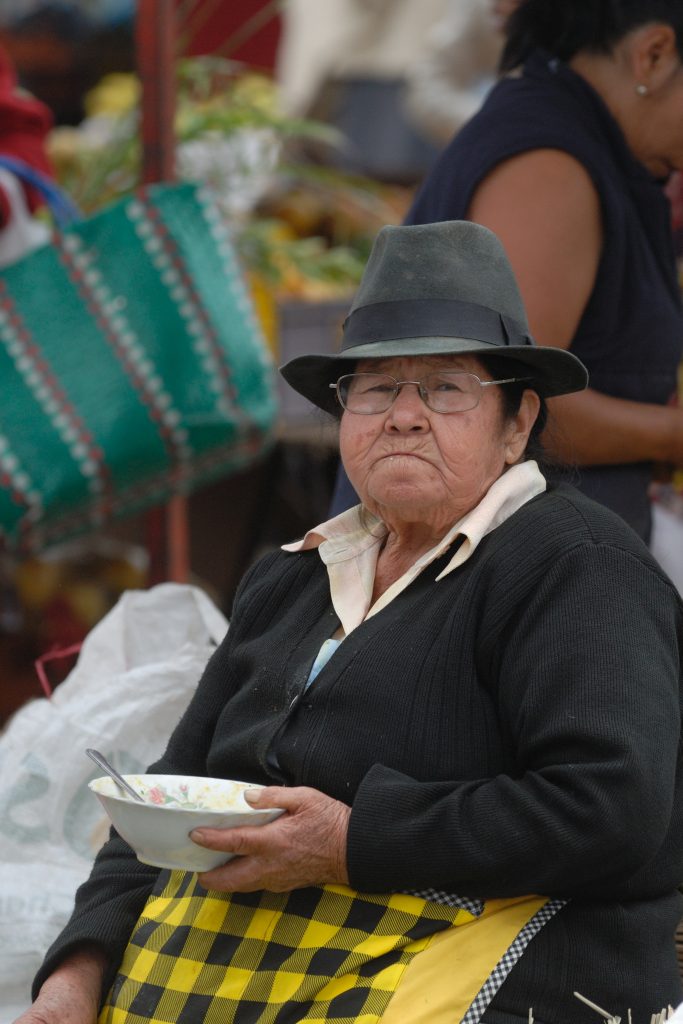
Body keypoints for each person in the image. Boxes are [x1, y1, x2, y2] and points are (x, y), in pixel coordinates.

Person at [15, 221, 683, 1024]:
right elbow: (155, 799)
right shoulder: (290, 576)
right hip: (235, 972)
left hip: (484, 961)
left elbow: (608, 811)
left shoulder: (574, 567)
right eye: (374, 389)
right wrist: (75, 976)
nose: (402, 416)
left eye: (444, 388)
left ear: (515, 423)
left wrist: (349, 840)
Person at [330, 0, 683, 545]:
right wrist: (671, 436)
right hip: (503, 581)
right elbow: (514, 400)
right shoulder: (550, 166)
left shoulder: (583, 143)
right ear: (654, 55)